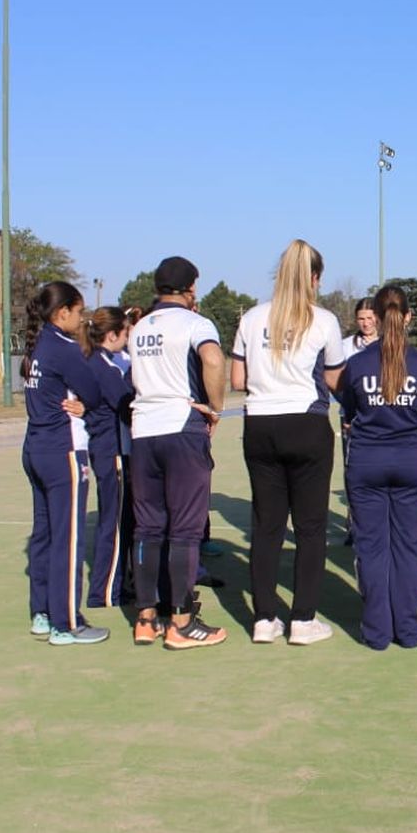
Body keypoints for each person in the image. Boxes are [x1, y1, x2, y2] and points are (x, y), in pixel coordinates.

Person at [231, 239, 345, 646]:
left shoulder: (251, 318)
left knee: (267, 527)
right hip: (307, 425)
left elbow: (238, 381)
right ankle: (303, 620)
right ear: (314, 278)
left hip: (260, 424)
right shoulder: (324, 320)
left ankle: (264, 619)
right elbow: (333, 380)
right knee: (311, 528)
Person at [127, 257, 229, 650]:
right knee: (185, 530)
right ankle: (183, 623)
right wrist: (215, 408)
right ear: (190, 288)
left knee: (148, 528)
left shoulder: (140, 328)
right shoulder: (195, 323)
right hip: (181, 425)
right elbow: (213, 360)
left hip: (144, 430)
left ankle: (146, 617)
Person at [338, 286, 417, 649]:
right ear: (408, 317)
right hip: (411, 460)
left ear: (375, 318)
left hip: (366, 462)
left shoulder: (358, 365)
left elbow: (349, 410)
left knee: (372, 548)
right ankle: (408, 630)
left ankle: (377, 631)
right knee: (410, 548)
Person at [20, 281, 107, 646]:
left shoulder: (38, 345)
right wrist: (86, 404)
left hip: (35, 448)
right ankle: (66, 623)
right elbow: (93, 389)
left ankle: (42, 613)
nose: (83, 317)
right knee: (68, 538)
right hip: (63, 450)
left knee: (44, 534)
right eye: (79, 311)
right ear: (62, 313)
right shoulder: (65, 347)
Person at [84, 307, 135, 610]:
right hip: (112, 451)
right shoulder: (104, 367)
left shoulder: (102, 363)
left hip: (113, 450)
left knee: (122, 521)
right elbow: (126, 407)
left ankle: (117, 584)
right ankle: (103, 593)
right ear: (112, 334)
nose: (128, 338)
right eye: (126, 332)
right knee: (114, 524)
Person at [338, 298, 379, 547]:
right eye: (361, 318)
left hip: (380, 419)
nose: (365, 323)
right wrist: (347, 409)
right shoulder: (345, 347)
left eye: (370, 317)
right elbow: (334, 381)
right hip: (351, 419)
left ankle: (376, 523)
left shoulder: (388, 345)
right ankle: (355, 525)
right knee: (353, 471)